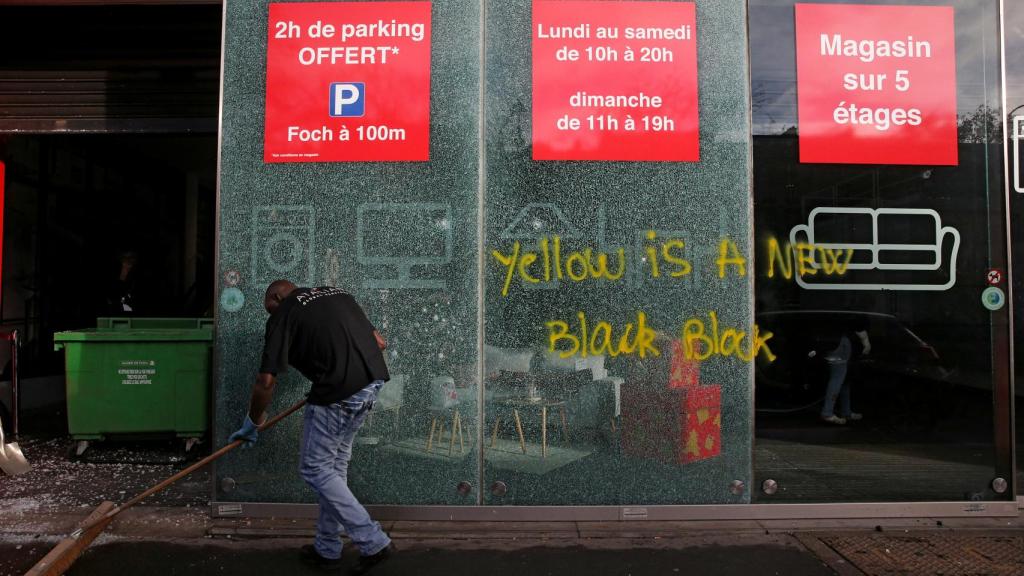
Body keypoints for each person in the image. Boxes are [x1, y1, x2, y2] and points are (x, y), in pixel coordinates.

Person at [230, 280, 394, 573]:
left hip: (338, 393)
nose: (271, 317)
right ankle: (327, 547)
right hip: (371, 384)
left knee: (315, 468)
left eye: (269, 309)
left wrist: (253, 421)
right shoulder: (340, 294)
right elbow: (379, 342)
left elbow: (266, 381)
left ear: (277, 297)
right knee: (333, 469)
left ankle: (372, 539)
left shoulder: (285, 311)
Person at [815, 316, 871, 425]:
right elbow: (859, 328)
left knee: (844, 379)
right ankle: (828, 413)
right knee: (838, 378)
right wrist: (867, 344)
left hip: (831, 342)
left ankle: (846, 411)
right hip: (840, 344)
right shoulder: (854, 314)